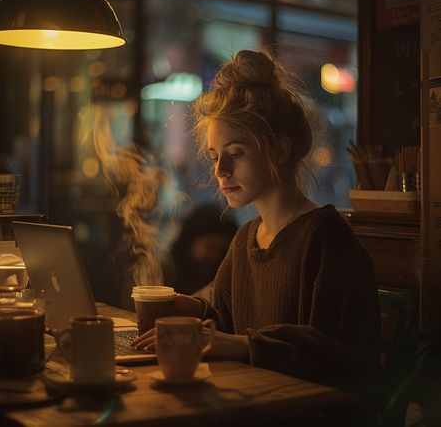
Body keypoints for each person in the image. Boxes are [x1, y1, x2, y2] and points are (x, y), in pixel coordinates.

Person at [132, 50, 381, 397]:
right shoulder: (247, 237)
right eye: (215, 156)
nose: (220, 172)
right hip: (254, 400)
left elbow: (341, 356)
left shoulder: (325, 236)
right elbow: (230, 321)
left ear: (279, 149)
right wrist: (193, 309)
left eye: (235, 154)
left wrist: (239, 345)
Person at [163, 203, 237, 300]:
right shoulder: (167, 271)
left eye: (221, 250)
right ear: (191, 240)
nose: (215, 255)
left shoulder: (224, 277)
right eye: (211, 247)